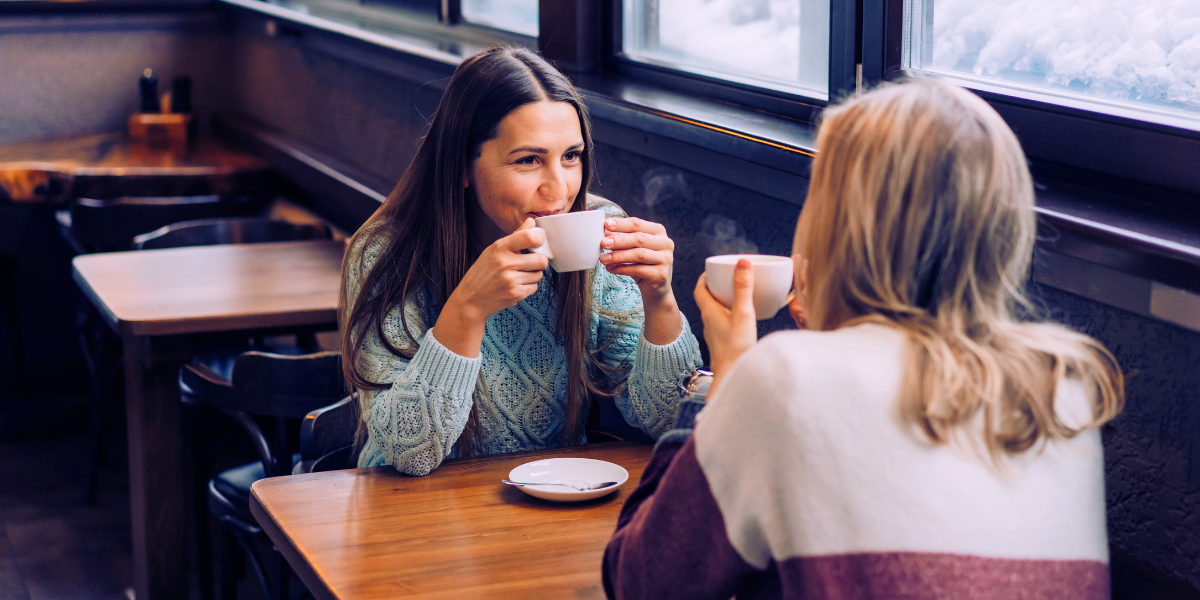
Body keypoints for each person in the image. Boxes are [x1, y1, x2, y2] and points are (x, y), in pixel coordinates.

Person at [603, 80, 1125, 599]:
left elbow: (640, 581)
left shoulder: (783, 378)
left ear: (837, 226)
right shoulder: (1064, 387)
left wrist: (724, 384)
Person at [339, 46, 702, 476]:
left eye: (571, 156)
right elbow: (410, 452)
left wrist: (660, 298)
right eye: (529, 160)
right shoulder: (387, 255)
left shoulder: (601, 230)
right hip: (409, 511)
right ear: (462, 167)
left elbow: (668, 422)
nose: (560, 189)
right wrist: (468, 309)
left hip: (554, 501)